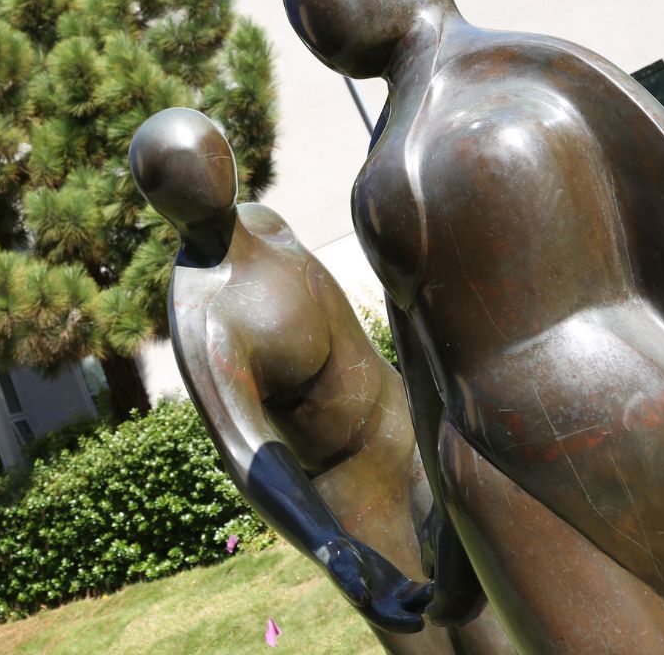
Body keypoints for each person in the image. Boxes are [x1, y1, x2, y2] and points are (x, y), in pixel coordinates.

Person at [281, 0, 664, 651]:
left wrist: (451, 571)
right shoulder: (549, 68)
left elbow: (427, 385)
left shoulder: (385, 176)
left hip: (515, 453)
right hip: (654, 393)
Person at [129, 107, 510, 654]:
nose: (212, 170)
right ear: (161, 197)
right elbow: (246, 449)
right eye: (191, 166)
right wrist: (329, 543)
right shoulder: (202, 313)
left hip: (413, 440)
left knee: (491, 627)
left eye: (214, 152)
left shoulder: (264, 223)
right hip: (355, 496)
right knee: (429, 642)